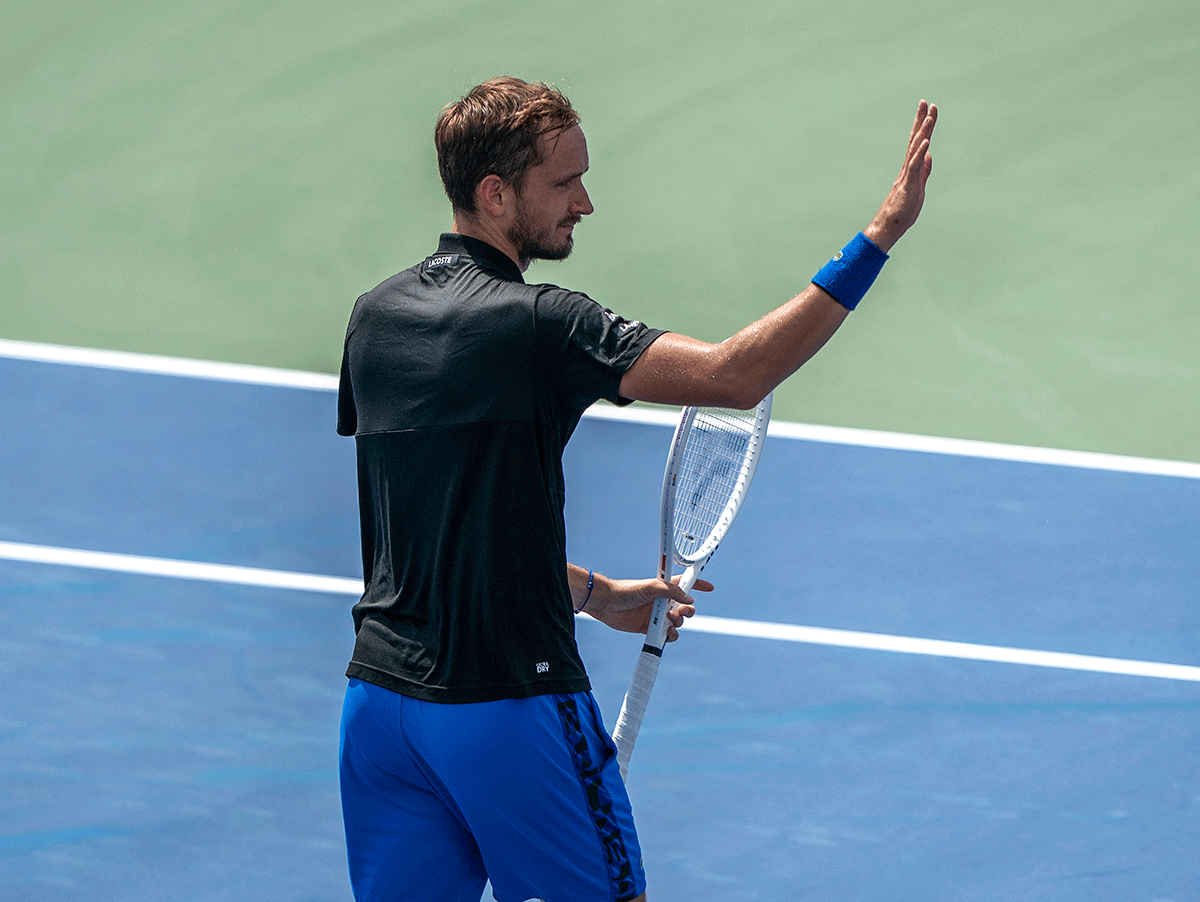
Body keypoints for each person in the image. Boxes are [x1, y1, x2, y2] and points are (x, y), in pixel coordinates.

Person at [336, 76, 936, 902]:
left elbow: (444, 524)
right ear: (494, 192)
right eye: (563, 182)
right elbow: (738, 374)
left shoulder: (376, 317)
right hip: (510, 709)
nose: (585, 202)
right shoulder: (545, 323)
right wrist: (880, 235)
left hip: (380, 713)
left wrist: (591, 593)